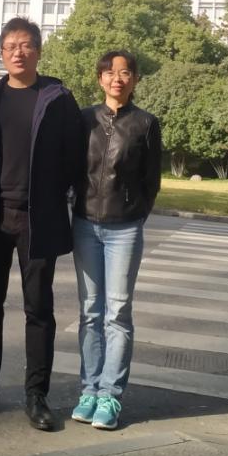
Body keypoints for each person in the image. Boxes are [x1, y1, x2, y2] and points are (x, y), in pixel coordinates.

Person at [0, 17, 85, 432]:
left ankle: (36, 396)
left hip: (38, 219)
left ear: (38, 51)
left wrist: (54, 195)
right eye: (11, 45)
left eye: (26, 44)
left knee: (39, 309)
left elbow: (74, 156)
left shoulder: (57, 98)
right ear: (1, 52)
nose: (18, 52)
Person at [70, 50, 162, 431]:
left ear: (135, 79)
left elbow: (151, 181)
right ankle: (89, 390)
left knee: (118, 313)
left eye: (125, 73)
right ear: (100, 79)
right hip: (85, 225)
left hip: (124, 228)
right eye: (110, 72)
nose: (117, 79)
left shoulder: (145, 123)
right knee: (90, 311)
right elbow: (73, 168)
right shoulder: (84, 119)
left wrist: (134, 213)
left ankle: (110, 394)